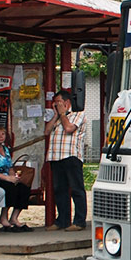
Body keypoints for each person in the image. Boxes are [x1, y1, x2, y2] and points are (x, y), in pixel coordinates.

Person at [44, 89, 87, 232]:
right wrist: (56, 115)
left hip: (71, 156)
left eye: (59, 102)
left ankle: (79, 221)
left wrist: (62, 114)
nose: (56, 105)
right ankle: (62, 220)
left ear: (67, 103)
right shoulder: (57, 118)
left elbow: (69, 128)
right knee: (60, 190)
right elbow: (46, 131)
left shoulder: (78, 115)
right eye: (55, 103)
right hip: (56, 157)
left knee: (76, 189)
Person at [0, 125, 32, 232]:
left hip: (6, 176)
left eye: (3, 134)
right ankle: (3, 217)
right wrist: (6, 178)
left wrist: (13, 176)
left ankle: (14, 217)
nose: (1, 136)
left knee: (23, 188)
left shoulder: (5, 149)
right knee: (8, 188)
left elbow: (9, 166)